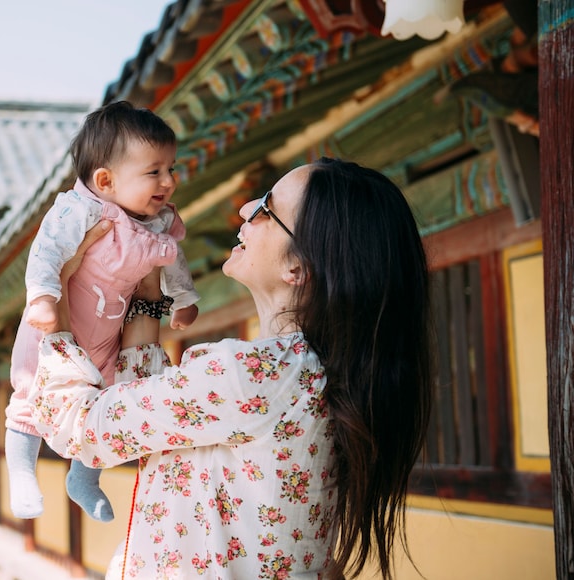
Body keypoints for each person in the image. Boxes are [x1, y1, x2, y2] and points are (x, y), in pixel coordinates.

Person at [31, 157, 433, 579]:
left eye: (264, 209)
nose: (244, 210)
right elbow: (148, 418)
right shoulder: (311, 371)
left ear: (298, 268)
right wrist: (149, 294)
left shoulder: (251, 376)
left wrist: (51, 297)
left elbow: (82, 426)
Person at [5, 101, 201, 522]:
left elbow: (173, 260)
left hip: (111, 334)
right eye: (154, 171)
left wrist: (182, 298)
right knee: (30, 393)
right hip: (57, 321)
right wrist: (41, 296)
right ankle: (21, 472)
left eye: (171, 168)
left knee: (107, 400)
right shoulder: (80, 211)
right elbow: (48, 251)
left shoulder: (158, 222)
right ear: (106, 180)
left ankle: (84, 479)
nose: (168, 180)